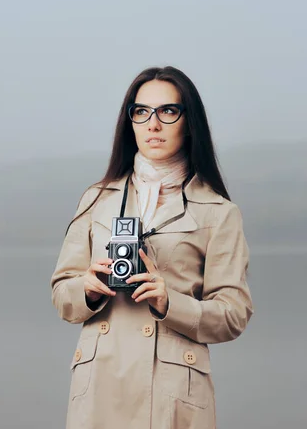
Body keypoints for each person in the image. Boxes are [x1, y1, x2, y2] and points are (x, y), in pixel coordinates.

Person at [50, 66, 254, 429]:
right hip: (99, 383)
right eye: (141, 112)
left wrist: (169, 301)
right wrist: (88, 289)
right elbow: (62, 294)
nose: (152, 124)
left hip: (171, 389)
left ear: (189, 122)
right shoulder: (96, 198)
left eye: (167, 111)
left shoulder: (219, 212)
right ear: (130, 122)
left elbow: (233, 315)